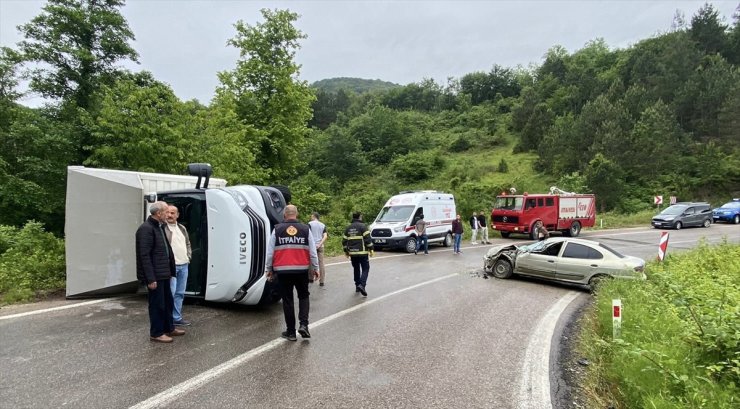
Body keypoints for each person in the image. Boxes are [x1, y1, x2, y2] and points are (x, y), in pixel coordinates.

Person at [265, 205, 319, 341]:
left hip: (283, 271)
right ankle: (304, 325)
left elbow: (270, 253)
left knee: (288, 300)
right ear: (297, 214)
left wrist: (269, 269)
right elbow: (312, 252)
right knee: (303, 296)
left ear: (284, 215)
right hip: (301, 270)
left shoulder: (277, 230)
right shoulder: (305, 229)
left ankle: (290, 332)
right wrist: (315, 268)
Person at [135, 201, 184, 343]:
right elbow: (144, 256)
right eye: (165, 211)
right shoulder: (146, 229)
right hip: (155, 275)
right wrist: (150, 279)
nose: (167, 214)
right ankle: (156, 333)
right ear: (158, 213)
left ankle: (169, 328)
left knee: (167, 302)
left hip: (164, 273)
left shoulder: (159, 227)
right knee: (157, 305)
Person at [165, 205, 192, 326]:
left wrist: (188, 257)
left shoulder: (182, 228)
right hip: (171, 267)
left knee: (180, 293)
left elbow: (187, 243)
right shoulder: (162, 228)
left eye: (172, 213)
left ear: (177, 215)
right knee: (170, 293)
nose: (170, 215)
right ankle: (167, 319)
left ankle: (176, 318)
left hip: (184, 265)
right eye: (168, 213)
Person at [342, 211, 374, 297]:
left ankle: (357, 286)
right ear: (360, 217)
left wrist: (346, 251)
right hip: (363, 253)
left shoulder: (348, 228)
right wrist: (371, 249)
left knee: (356, 269)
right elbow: (367, 239)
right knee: (365, 268)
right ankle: (362, 285)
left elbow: (344, 241)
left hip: (353, 253)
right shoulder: (363, 226)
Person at [308, 212, 328, 286]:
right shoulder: (322, 225)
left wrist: (312, 244)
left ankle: (311, 278)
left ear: (313, 216)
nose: (311, 217)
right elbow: (325, 236)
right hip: (320, 246)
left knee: (310, 262)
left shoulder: (309, 224)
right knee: (321, 263)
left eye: (311, 216)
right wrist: (320, 244)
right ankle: (322, 281)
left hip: (312, 246)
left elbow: (308, 235)